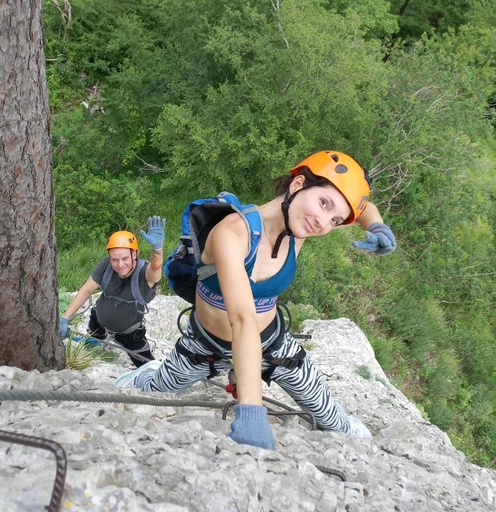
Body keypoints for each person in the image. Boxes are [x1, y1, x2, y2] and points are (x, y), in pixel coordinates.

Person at [115, 152, 396, 449]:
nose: (324, 223)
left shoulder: (303, 224)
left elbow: (363, 208)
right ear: (298, 184)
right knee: (154, 390)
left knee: (334, 421)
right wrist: (251, 413)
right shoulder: (233, 233)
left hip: (272, 343)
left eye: (335, 219)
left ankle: (340, 422)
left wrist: (374, 225)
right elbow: (242, 319)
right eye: (324, 204)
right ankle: (149, 372)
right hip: (206, 345)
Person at [60, 218, 166, 366]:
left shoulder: (144, 273)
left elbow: (155, 270)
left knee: (147, 367)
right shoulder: (106, 266)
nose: (120, 265)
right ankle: (96, 344)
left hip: (129, 333)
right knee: (92, 342)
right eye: (115, 259)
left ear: (134, 254)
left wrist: (157, 249)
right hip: (98, 321)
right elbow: (86, 290)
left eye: (124, 258)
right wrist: (65, 317)